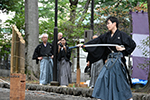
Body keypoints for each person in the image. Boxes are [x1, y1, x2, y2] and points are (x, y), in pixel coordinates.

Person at [79, 16, 136, 100]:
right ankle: (101, 96)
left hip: (118, 59)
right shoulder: (106, 36)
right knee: (102, 76)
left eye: (109, 23)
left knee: (119, 79)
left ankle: (127, 97)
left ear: (114, 24)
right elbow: (97, 41)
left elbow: (132, 45)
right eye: (107, 24)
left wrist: (123, 49)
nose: (107, 25)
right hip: (110, 59)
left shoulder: (122, 35)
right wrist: (85, 45)